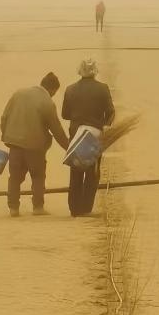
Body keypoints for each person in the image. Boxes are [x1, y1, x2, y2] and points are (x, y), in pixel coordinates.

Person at [0, 72, 70, 216]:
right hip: (35, 147)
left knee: (14, 177)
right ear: (53, 89)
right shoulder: (47, 102)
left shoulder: (18, 94)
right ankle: (38, 207)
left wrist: (6, 136)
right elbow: (56, 130)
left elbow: (4, 118)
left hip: (14, 144)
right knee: (38, 176)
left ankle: (13, 208)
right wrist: (69, 148)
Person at [61, 59, 116, 217]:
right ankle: (85, 208)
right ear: (95, 71)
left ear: (80, 71)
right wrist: (105, 125)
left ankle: (74, 209)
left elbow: (65, 114)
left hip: (76, 135)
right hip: (94, 135)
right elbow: (110, 112)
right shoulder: (103, 89)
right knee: (92, 173)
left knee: (76, 172)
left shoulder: (70, 89)